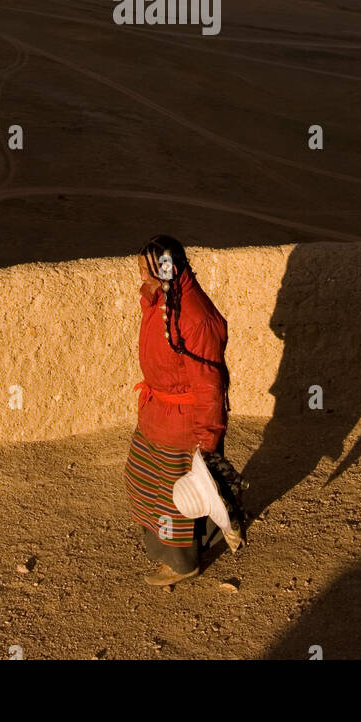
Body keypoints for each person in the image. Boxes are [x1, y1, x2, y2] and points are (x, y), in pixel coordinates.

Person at [124, 234, 232, 587]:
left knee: (175, 500)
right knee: (140, 479)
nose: (141, 274)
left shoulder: (196, 319)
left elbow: (209, 384)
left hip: (183, 422)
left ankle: (182, 562)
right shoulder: (162, 299)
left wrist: (208, 440)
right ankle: (184, 541)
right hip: (158, 413)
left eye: (146, 268)